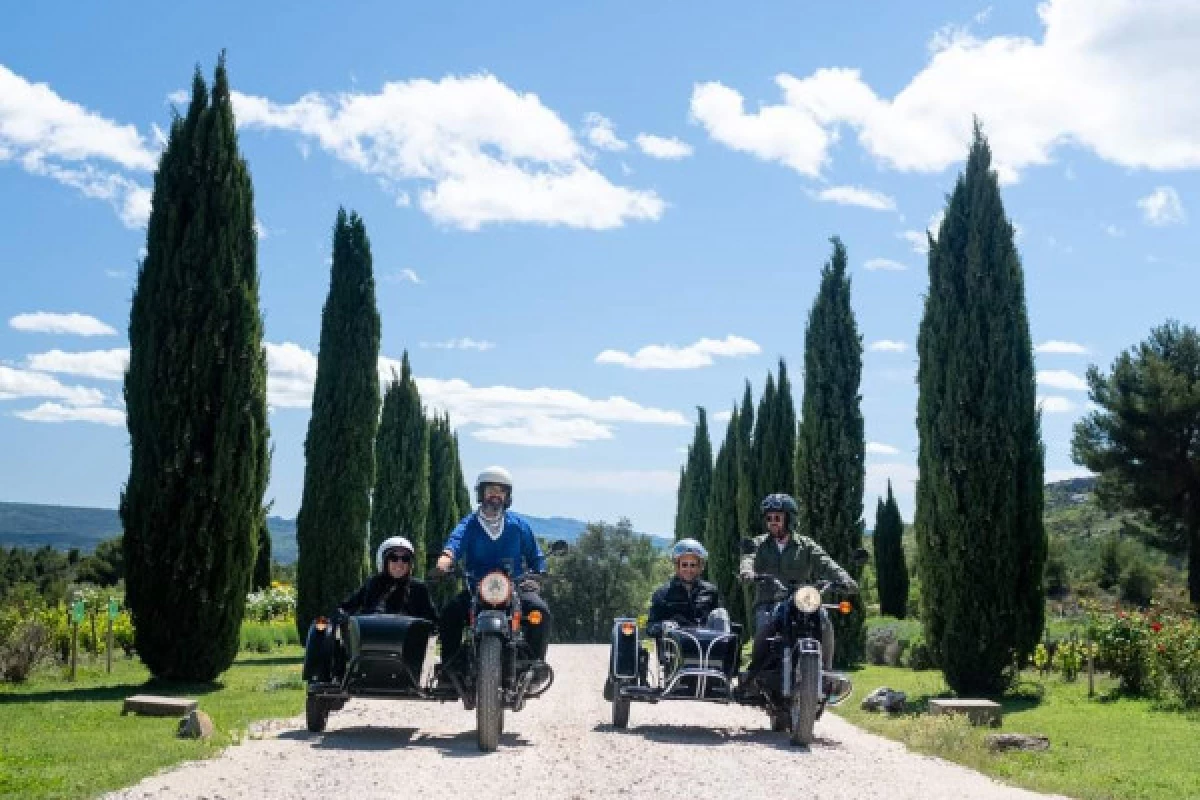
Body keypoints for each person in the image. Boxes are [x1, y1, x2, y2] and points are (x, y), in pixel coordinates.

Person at [434, 466, 550, 675]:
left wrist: (538, 574)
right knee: (449, 613)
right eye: (490, 490)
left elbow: (536, 555)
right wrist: (446, 558)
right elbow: (455, 543)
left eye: (501, 491)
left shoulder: (518, 525)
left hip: (514, 587)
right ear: (481, 493)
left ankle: (533, 665)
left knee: (539, 611)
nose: (495, 495)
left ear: (507, 496)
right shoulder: (469, 524)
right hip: (476, 589)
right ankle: (450, 669)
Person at [739, 493, 857, 688]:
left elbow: (826, 562)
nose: (772, 522)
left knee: (824, 619)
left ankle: (826, 672)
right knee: (763, 627)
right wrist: (747, 572)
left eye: (777, 517)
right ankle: (755, 674)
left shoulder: (806, 545)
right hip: (770, 601)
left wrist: (845, 579)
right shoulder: (758, 543)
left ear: (789, 519)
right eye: (769, 518)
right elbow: (747, 559)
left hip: (801, 601)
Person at [337, 536, 438, 623]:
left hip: (406, 643)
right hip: (370, 640)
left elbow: (432, 619)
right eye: (393, 558)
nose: (400, 563)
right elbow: (347, 607)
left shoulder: (419, 588)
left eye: (405, 558)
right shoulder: (372, 583)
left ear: (410, 564)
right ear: (384, 561)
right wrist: (341, 614)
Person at [646, 538, 725, 635]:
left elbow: (719, 622)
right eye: (684, 565)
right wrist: (663, 626)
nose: (689, 569)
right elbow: (650, 627)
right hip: (674, 647)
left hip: (707, 646)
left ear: (700, 567)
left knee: (721, 613)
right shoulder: (661, 594)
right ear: (677, 566)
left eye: (693, 565)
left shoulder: (711, 591)